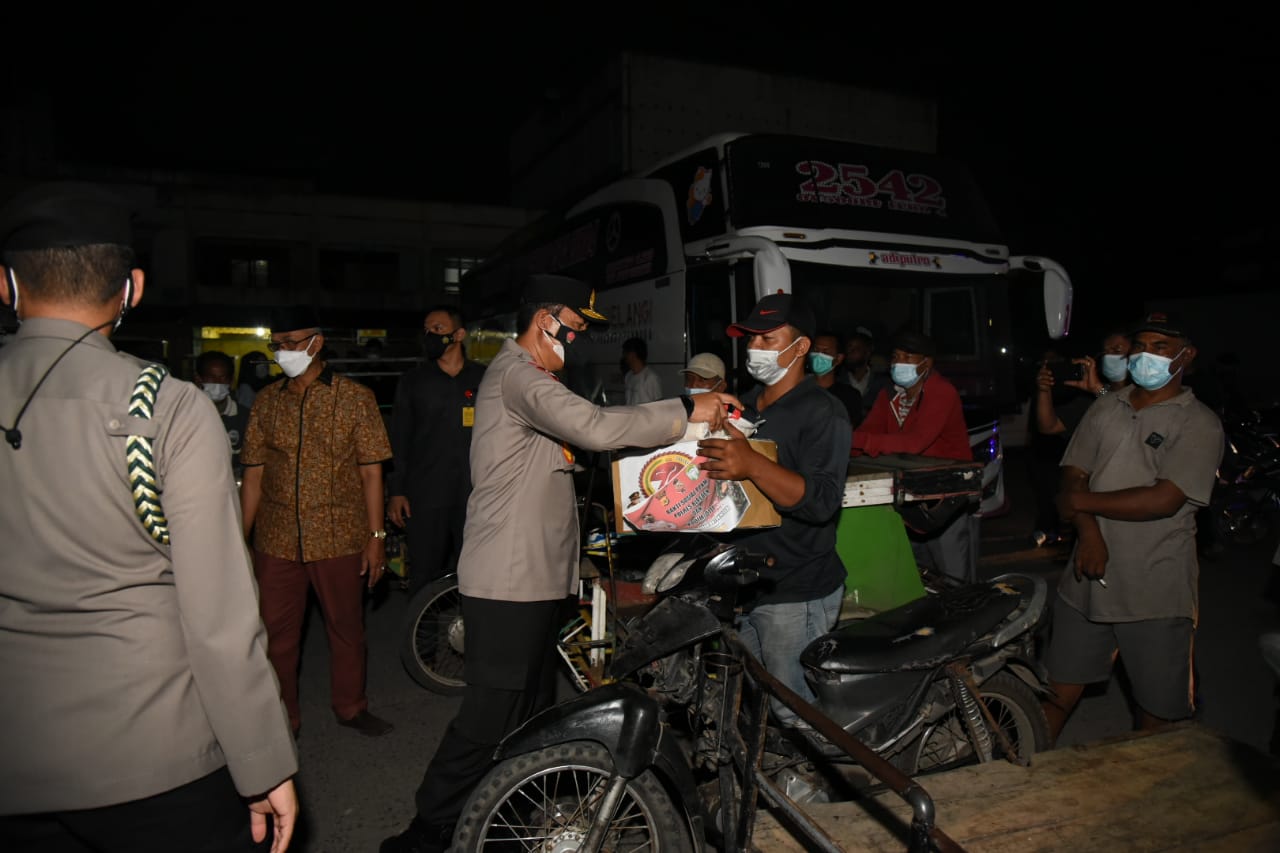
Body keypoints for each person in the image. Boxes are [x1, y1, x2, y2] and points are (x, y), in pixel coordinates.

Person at [381, 274, 740, 853]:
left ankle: (504, 814)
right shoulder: (518, 375)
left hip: (535, 578)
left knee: (529, 714)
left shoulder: (537, 378)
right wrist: (684, 407)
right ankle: (427, 830)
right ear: (545, 321)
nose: (577, 340)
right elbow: (594, 428)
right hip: (507, 580)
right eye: (573, 327)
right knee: (489, 716)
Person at [0, 183, 297, 852]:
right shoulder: (165, 405)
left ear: (6, 284)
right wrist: (262, 761)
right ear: (131, 289)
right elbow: (218, 618)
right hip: (152, 751)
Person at [1041, 311, 1223, 745]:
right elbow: (1074, 473)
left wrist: (1080, 504)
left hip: (1154, 588)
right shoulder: (1107, 405)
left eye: (1160, 347)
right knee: (1055, 692)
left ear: (1186, 355)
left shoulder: (1198, 422)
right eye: (1140, 346)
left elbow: (1163, 499)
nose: (1145, 355)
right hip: (1085, 580)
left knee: (1157, 716)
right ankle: (1022, 774)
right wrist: (1090, 534)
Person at [240, 305, 395, 738]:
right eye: (276, 344)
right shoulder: (267, 402)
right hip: (277, 539)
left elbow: (372, 473)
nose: (282, 351)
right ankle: (281, 717)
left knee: (346, 629)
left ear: (317, 342)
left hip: (339, 536)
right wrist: (238, 539)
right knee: (277, 635)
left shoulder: (355, 398)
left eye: (291, 342)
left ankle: (351, 706)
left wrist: (376, 537)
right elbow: (253, 477)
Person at [697, 293, 851, 727]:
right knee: (755, 707)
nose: (754, 348)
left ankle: (823, 772)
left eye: (768, 339)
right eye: (751, 338)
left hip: (796, 589)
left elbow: (822, 502)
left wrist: (751, 464)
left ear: (801, 347)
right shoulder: (744, 406)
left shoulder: (823, 412)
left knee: (795, 710)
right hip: (746, 583)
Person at [851, 329, 978, 582]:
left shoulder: (941, 392)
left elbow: (915, 442)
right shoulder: (890, 395)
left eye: (908, 357)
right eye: (896, 357)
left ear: (926, 363)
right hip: (909, 495)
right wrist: (842, 443)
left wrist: (855, 441)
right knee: (917, 576)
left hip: (945, 495)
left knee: (953, 578)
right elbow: (868, 431)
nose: (899, 363)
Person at [387, 305, 486, 597]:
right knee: (424, 573)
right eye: (427, 330)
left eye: (438, 329)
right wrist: (396, 491)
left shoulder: (484, 378)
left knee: (476, 570)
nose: (430, 335)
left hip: (474, 493)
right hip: (426, 494)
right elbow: (399, 438)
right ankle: (422, 627)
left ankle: (472, 625)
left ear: (459, 334)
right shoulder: (414, 382)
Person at [1029, 329, 1132, 547]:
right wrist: (1044, 391)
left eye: (1117, 350)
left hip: (1130, 498)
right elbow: (1048, 426)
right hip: (1095, 501)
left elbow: (1129, 416)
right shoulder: (1091, 401)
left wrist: (1098, 390)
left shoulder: (1143, 395)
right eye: (1106, 351)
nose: (1110, 356)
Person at [194, 349, 250, 475]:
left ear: (231, 381)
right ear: (198, 379)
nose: (217, 383)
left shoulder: (244, 417)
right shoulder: (184, 414)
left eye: (223, 378)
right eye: (211, 378)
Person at [810, 330, 863, 427]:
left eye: (825, 352)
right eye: (816, 350)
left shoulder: (849, 396)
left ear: (838, 358)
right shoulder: (797, 389)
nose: (819, 355)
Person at [843, 327, 889, 417]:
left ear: (867, 352)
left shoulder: (882, 384)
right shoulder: (838, 381)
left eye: (856, 348)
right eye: (849, 347)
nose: (850, 352)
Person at [622, 335, 662, 404]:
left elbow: (659, 404)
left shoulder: (650, 377)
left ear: (633, 354)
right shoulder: (628, 376)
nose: (624, 356)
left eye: (625, 353)